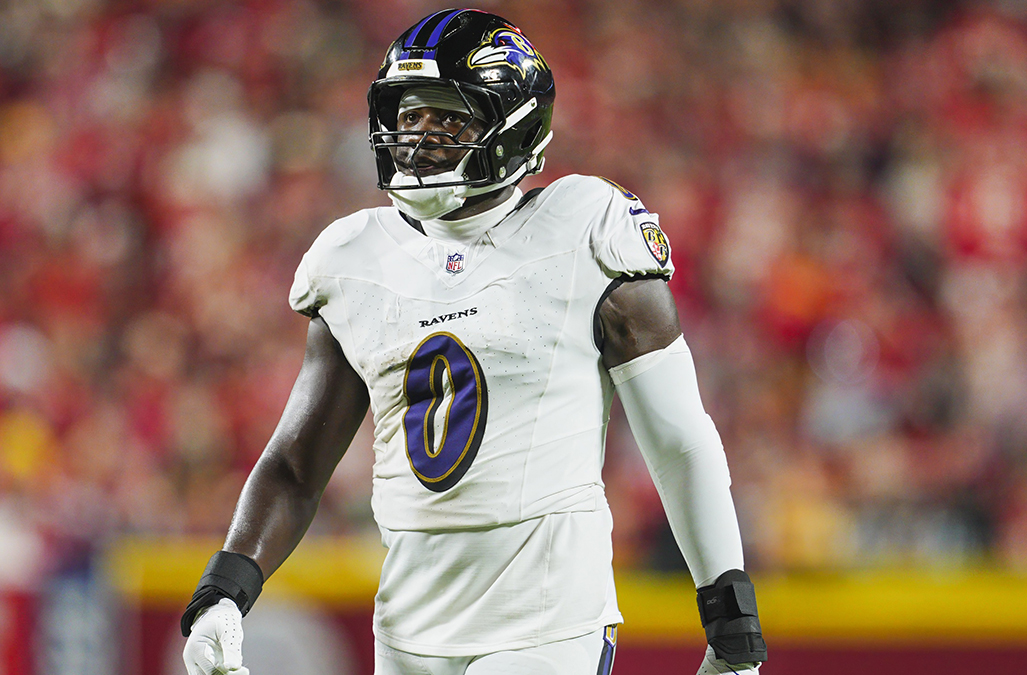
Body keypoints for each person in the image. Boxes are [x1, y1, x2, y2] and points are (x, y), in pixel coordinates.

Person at [180, 9, 766, 675]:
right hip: (407, 629)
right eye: (408, 116)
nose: (420, 137)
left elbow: (678, 439)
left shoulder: (585, 230)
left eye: (448, 117)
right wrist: (223, 591)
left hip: (547, 623)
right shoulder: (354, 258)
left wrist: (730, 615)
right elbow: (295, 464)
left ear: (515, 127)